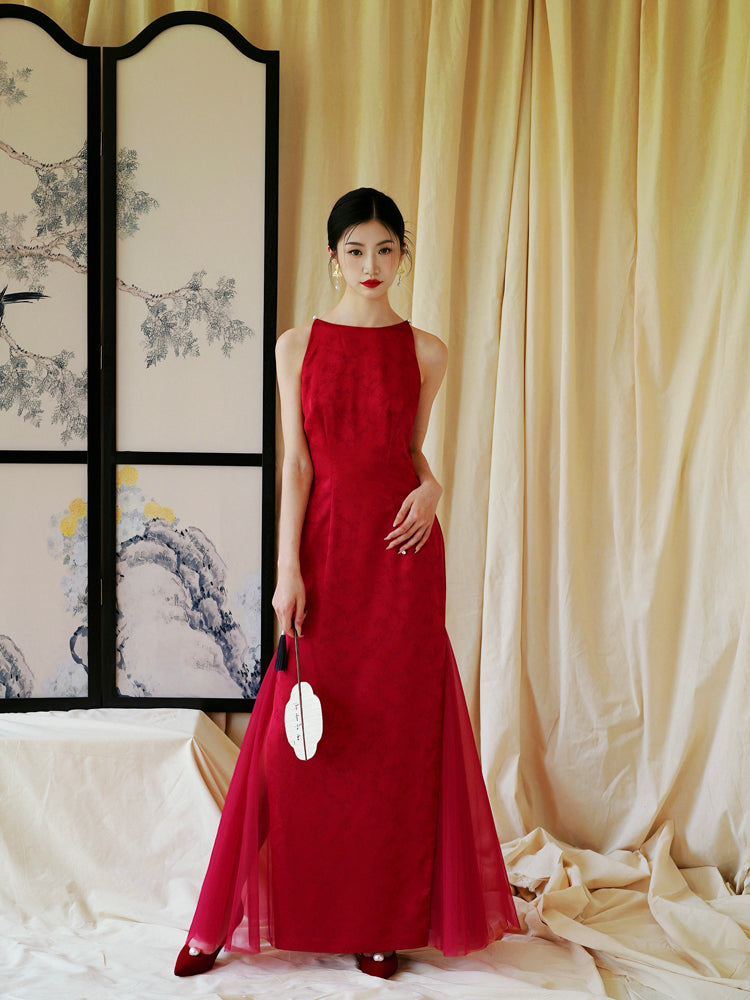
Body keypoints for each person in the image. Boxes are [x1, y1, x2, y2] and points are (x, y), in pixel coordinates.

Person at [174, 188, 519, 980]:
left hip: (402, 561)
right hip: (326, 554)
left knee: (393, 742)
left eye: (386, 250)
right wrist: (287, 566)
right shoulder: (297, 347)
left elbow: (408, 452)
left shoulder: (427, 351)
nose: (371, 265)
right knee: (294, 738)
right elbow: (297, 464)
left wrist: (434, 488)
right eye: (355, 251)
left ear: (403, 255)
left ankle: (379, 920)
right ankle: (219, 919)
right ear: (332, 258)